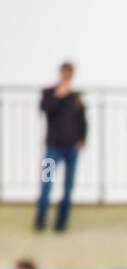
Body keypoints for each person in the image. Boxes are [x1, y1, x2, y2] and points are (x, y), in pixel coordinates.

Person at [35, 62, 86, 233]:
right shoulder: (49, 93)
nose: (66, 77)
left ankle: (61, 223)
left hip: (72, 149)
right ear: (60, 73)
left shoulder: (76, 96)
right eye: (64, 74)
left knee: (68, 187)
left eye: (69, 74)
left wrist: (82, 139)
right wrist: (59, 95)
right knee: (46, 183)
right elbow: (45, 109)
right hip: (52, 148)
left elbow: (83, 120)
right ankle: (40, 219)